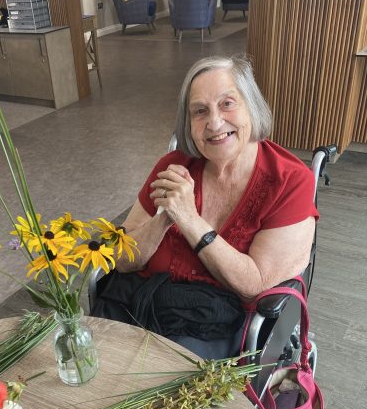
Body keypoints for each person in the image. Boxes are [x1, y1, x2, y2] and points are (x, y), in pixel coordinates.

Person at [94, 55, 318, 358]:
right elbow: (122, 260)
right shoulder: (173, 166)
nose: (214, 122)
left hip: (216, 327)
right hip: (140, 304)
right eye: (200, 111)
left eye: (227, 104)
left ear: (251, 106)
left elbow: (253, 285)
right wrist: (165, 217)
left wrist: (190, 220)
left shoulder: (289, 182)